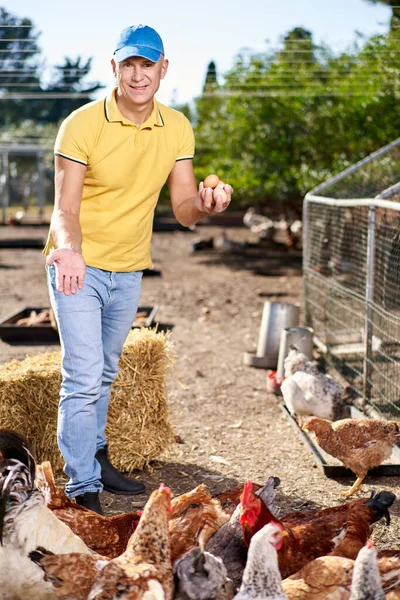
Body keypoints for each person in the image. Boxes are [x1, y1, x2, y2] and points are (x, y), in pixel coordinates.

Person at [44, 24, 233, 514]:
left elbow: (185, 208)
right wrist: (70, 250)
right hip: (77, 266)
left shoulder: (177, 127)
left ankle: (97, 456)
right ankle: (81, 487)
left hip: (129, 270)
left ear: (162, 69)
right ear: (114, 68)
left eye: (147, 64)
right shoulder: (82, 124)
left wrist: (209, 206)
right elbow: (64, 208)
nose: (137, 74)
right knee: (83, 376)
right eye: (128, 63)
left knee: (105, 373)